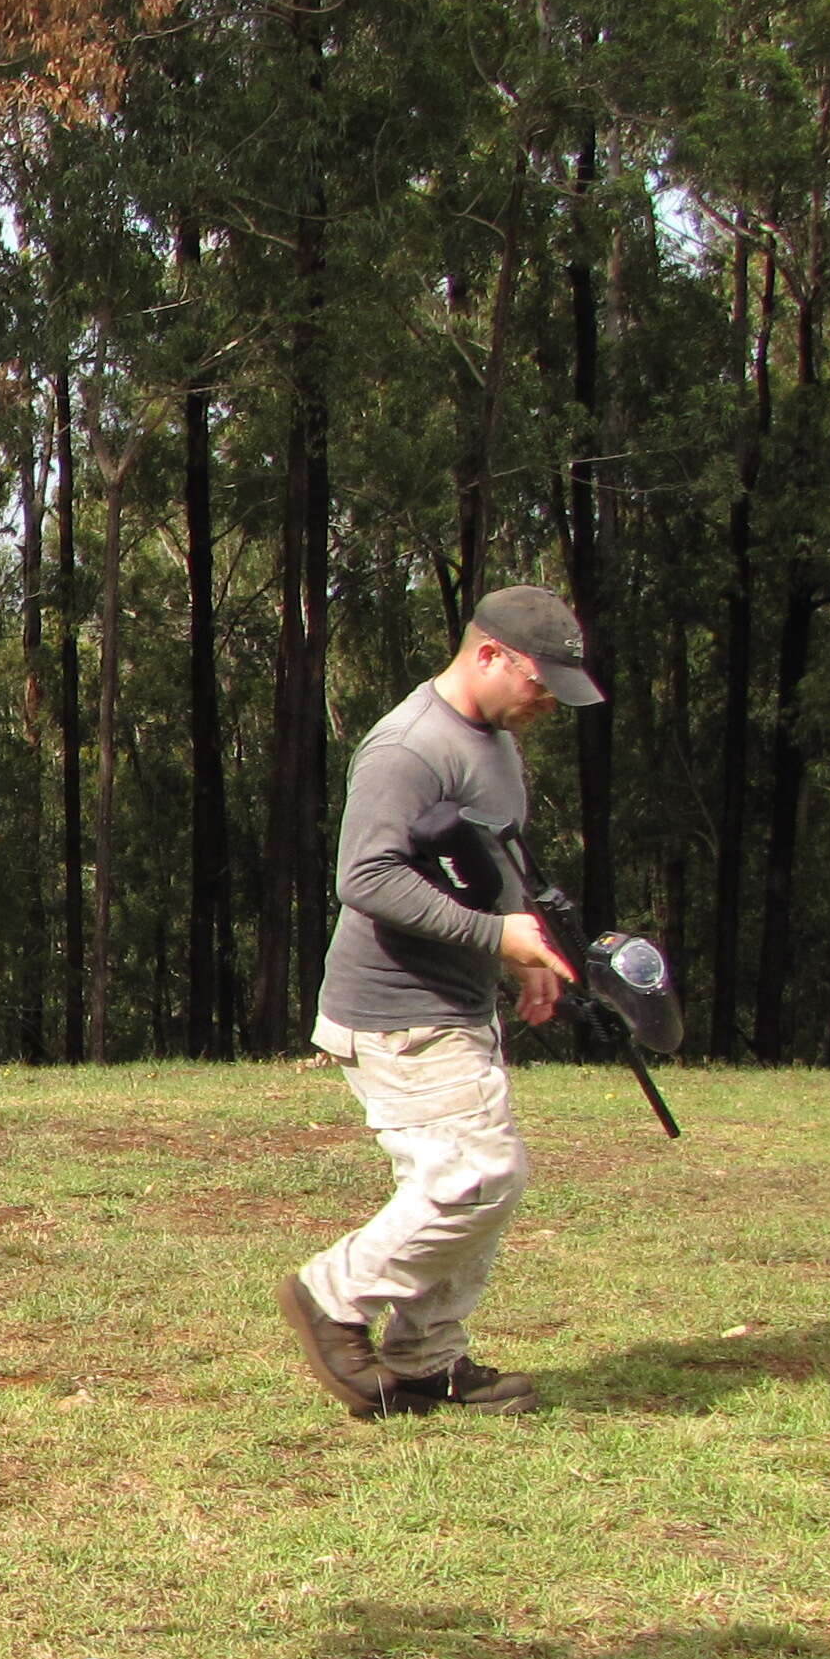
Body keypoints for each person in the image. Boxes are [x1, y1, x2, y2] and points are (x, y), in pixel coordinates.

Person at [276, 584, 597, 1421]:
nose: (545, 703)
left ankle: (425, 1360)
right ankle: (331, 1294)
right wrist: (496, 940)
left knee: (478, 1180)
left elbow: (491, 858)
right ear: (489, 653)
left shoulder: (492, 741)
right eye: (538, 681)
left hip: (457, 1003)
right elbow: (367, 877)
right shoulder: (408, 749)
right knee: (478, 1176)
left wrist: (525, 955)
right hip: (396, 1008)